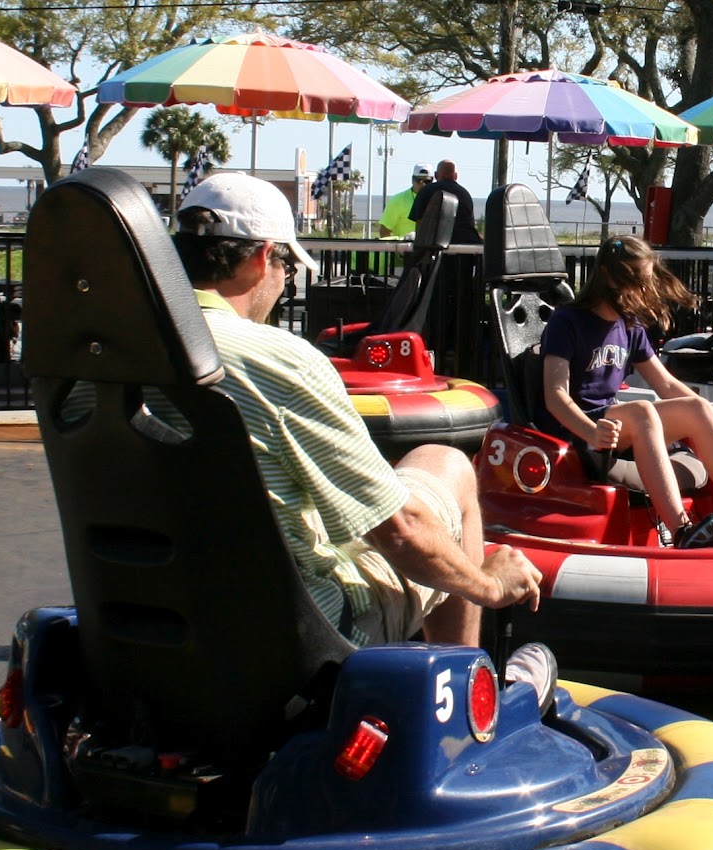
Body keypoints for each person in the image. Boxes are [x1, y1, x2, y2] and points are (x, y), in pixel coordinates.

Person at [169, 172, 543, 654]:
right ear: (263, 258)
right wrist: (489, 584)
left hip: (149, 619)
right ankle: (461, 685)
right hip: (290, 634)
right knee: (446, 464)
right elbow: (400, 531)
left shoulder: (104, 352)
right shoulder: (283, 361)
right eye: (287, 267)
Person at [531, 234, 713, 549]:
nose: (643, 290)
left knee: (695, 407)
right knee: (642, 411)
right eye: (636, 280)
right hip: (578, 428)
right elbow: (555, 396)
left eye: (645, 281)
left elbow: (667, 385)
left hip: (613, 424)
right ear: (607, 275)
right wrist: (591, 432)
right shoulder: (568, 321)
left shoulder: (629, 325)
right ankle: (682, 530)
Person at [409, 160, 481, 245]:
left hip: (434, 246)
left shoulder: (426, 191)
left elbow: (420, 222)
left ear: (436, 175)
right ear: (455, 176)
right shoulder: (465, 194)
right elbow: (470, 224)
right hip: (464, 246)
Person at [377, 164, 430, 239]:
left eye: (427, 181)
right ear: (412, 180)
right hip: (404, 246)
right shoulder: (397, 200)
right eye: (419, 180)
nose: (423, 184)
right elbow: (384, 231)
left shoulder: (437, 199)